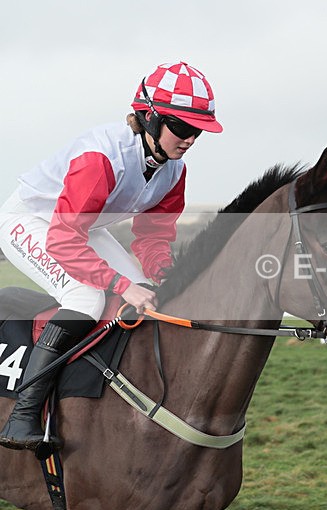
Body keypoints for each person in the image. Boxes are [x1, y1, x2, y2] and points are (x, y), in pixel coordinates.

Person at [0, 61, 223, 451]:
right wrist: (119, 284)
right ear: (150, 119)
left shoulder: (173, 171)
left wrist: (162, 272)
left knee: (145, 290)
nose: (190, 140)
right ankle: (23, 415)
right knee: (87, 297)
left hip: (83, 227)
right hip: (34, 221)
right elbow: (64, 239)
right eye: (183, 128)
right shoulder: (101, 158)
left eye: (198, 132)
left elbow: (153, 236)